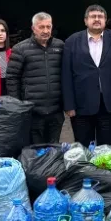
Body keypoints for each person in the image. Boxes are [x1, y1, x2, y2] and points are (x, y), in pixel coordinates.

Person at [62, 5, 111, 147]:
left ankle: (106, 171)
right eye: (93, 16)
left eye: (100, 16)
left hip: (108, 104)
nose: (97, 19)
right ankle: (86, 170)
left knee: (108, 149)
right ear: (85, 21)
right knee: (83, 148)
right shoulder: (72, 41)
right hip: (81, 106)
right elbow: (66, 75)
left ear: (106, 20)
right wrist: (69, 105)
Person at [7, 12, 65, 144]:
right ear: (33, 28)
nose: (45, 31)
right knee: (35, 151)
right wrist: (18, 105)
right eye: (41, 27)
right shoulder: (20, 49)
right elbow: (12, 78)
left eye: (48, 27)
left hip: (55, 111)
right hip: (33, 112)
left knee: (54, 149)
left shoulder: (60, 46)